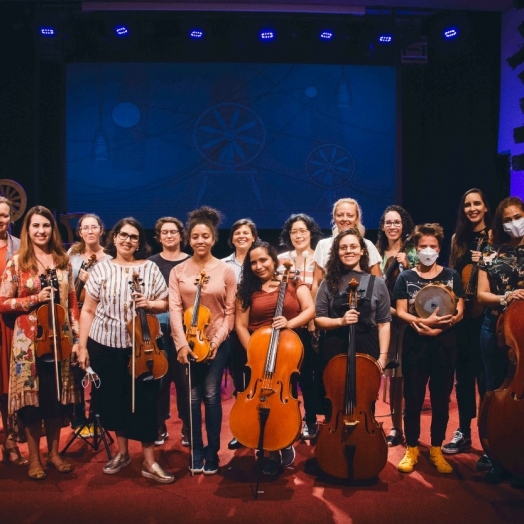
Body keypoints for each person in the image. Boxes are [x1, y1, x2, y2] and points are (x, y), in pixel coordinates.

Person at [77, 217, 175, 484]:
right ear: (115, 237)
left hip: (141, 347)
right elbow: (87, 310)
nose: (127, 240)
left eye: (133, 237)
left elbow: (165, 302)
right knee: (114, 399)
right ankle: (122, 453)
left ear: (139, 242)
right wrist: (83, 345)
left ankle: (149, 461)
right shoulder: (100, 269)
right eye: (123, 235)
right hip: (105, 344)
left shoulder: (150, 268)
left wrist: (149, 303)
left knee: (145, 401)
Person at [0, 205, 80, 480]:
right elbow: (3, 302)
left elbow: (71, 304)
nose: (41, 230)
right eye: (35, 226)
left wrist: (78, 338)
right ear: (28, 229)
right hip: (28, 344)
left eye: (45, 225)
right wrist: (34, 299)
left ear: (51, 229)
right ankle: (34, 458)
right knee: (32, 404)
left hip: (61, 340)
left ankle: (54, 453)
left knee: (55, 400)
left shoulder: (62, 260)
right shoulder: (17, 262)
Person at [235, 240, 315, 475]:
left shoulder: (292, 281)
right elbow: (240, 325)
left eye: (263, 260)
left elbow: (310, 309)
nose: (259, 266)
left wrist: (289, 323)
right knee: (261, 401)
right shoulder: (246, 290)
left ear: (274, 260)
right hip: (259, 354)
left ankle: (285, 438)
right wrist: (255, 353)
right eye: (253, 263)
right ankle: (269, 451)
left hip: (288, 352)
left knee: (286, 399)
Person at [392, 223, 465, 475]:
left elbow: (460, 310)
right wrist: (421, 322)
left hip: (444, 343)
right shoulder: (406, 277)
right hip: (415, 343)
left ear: (439, 248)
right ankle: (412, 447)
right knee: (412, 398)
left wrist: (439, 328)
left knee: (440, 399)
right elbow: (400, 311)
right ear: (415, 248)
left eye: (432, 246)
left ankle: (436, 447)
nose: (427, 250)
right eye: (422, 246)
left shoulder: (452, 275)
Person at [169, 207, 236, 475]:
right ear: (189, 239)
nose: (200, 241)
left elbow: (230, 312)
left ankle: (213, 453)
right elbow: (174, 309)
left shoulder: (226, 271)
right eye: (195, 236)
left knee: (210, 396)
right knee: (192, 397)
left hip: (217, 341)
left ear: (213, 239)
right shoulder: (178, 271)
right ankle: (196, 450)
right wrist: (182, 344)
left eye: (205, 236)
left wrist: (216, 342)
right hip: (188, 342)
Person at [477, 196, 524, 484]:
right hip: (494, 325)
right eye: (506, 219)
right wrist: (507, 296)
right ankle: (499, 457)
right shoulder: (491, 251)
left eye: (517, 216)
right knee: (496, 389)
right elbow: (481, 295)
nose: (513, 223)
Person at [442, 189, 490, 459]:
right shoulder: (457, 238)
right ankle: (463, 430)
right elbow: (452, 276)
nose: (472, 208)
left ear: (485, 208)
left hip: (486, 318)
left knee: (486, 380)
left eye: (477, 204)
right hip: (462, 317)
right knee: (463, 379)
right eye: (467, 205)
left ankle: (489, 437)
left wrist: (486, 260)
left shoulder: (495, 237)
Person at [315, 228, 390, 373]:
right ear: (337, 252)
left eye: (353, 247)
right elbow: (319, 319)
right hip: (334, 348)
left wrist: (382, 358)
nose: (348, 251)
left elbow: (384, 323)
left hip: (368, 347)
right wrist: (340, 321)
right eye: (343, 248)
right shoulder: (328, 282)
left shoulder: (377, 283)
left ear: (362, 251)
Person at [375, 205, 418, 447]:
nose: (393, 226)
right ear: (382, 226)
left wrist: (408, 265)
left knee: (406, 376)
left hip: (408, 319)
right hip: (383, 318)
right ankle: (395, 426)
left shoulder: (413, 251)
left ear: (404, 226)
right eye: (388, 222)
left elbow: (423, 281)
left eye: (397, 222)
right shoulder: (376, 251)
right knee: (392, 376)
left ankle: (405, 426)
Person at [278, 213, 323, 440]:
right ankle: (289, 419)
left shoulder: (320, 258)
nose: (298, 235)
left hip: (310, 328)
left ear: (311, 233)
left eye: (303, 231)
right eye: (294, 231)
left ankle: (311, 419)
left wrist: (312, 321)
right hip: (285, 328)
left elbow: (319, 291)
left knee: (308, 377)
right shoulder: (280, 259)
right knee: (287, 379)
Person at [67, 213, 111, 437]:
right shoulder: (71, 255)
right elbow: (66, 287)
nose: (90, 231)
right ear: (80, 232)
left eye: (94, 227)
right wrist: (78, 283)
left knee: (96, 366)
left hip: (99, 316)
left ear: (101, 230)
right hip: (74, 314)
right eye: (86, 228)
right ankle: (77, 417)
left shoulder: (110, 259)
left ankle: (96, 414)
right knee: (75, 366)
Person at [148, 216, 190, 447]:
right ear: (159, 236)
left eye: (173, 231)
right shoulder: (150, 263)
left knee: (185, 381)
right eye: (164, 232)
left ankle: (187, 426)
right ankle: (159, 425)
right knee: (160, 380)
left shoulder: (191, 262)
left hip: (185, 329)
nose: (169, 235)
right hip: (158, 329)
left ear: (180, 235)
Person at [221, 218, 258, 451]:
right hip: (234, 332)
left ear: (254, 237)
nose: (242, 236)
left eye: (246, 232)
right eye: (237, 233)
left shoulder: (261, 261)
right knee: (241, 384)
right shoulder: (223, 265)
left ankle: (265, 428)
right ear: (232, 238)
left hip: (261, 329)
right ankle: (242, 431)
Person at [312, 198, 382, 300]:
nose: (345, 219)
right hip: (330, 304)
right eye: (340, 215)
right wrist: (315, 312)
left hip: (362, 303)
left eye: (350, 215)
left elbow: (377, 282)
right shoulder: (323, 245)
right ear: (334, 217)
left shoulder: (368, 245)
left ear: (357, 218)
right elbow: (316, 283)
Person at [0, 196, 26, 467]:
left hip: (10, 323)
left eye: (4, 215)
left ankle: (11, 440)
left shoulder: (20, 246)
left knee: (8, 385)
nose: (0, 220)